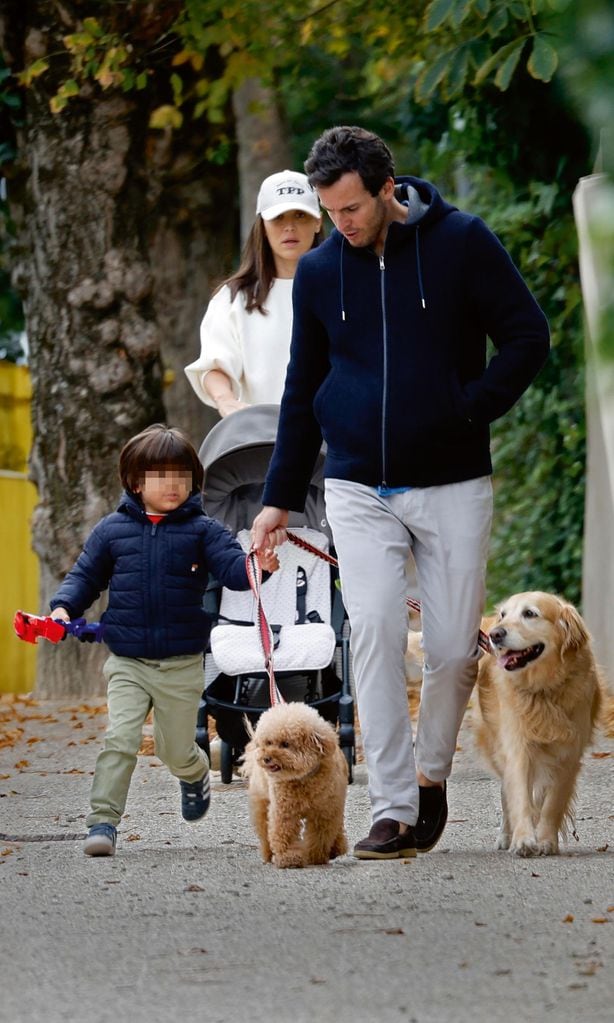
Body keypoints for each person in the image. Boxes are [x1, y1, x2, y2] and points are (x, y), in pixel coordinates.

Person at [251, 126, 550, 859]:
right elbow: (301, 390)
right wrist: (277, 497)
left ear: (387, 189)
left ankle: (429, 775)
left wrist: (469, 406)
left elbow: (527, 335)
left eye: (352, 207)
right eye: (332, 210)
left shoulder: (463, 243)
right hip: (356, 482)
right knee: (378, 629)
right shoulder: (322, 272)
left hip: (453, 478)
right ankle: (390, 807)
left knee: (451, 649)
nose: (342, 224)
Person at [49, 423, 278, 857]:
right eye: (160, 476)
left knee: (175, 750)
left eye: (182, 476)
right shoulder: (111, 531)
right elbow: (84, 577)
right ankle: (103, 821)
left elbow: (233, 569)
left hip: (180, 663)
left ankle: (194, 774)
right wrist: (64, 609)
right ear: (136, 482)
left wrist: (258, 566)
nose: (172, 485)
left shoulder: (203, 530)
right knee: (120, 737)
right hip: (128, 661)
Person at [185, 169, 323, 417]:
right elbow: (214, 366)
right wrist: (225, 400)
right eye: (278, 218)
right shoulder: (233, 298)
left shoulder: (345, 289)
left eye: (300, 215)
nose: (289, 227)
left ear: (318, 221)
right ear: (262, 224)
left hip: (339, 443)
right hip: (264, 440)